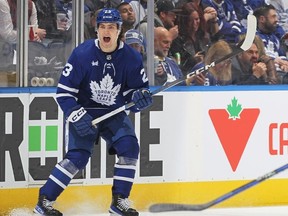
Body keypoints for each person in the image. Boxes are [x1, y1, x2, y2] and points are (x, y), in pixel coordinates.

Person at [33, 8, 153, 216]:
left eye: (112, 27)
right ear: (97, 30)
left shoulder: (132, 58)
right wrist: (76, 114)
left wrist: (139, 99)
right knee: (77, 158)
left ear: (119, 30)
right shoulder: (82, 54)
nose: (107, 31)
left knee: (129, 147)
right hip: (85, 112)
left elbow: (135, 95)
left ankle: (119, 201)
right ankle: (44, 201)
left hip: (114, 113)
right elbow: (63, 93)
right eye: (103, 27)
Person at [170, 2, 218, 75]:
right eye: (190, 20)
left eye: (196, 19)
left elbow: (216, 48)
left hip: (208, 74)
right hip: (188, 76)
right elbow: (177, 66)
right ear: (184, 21)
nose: (194, 24)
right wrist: (192, 60)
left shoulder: (204, 35)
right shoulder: (178, 40)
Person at [253, 4, 288, 73]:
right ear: (262, 19)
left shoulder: (275, 38)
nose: (276, 20)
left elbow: (282, 55)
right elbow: (256, 57)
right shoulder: (253, 37)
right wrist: (276, 60)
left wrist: (285, 64)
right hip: (262, 75)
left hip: (280, 74)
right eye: (273, 17)